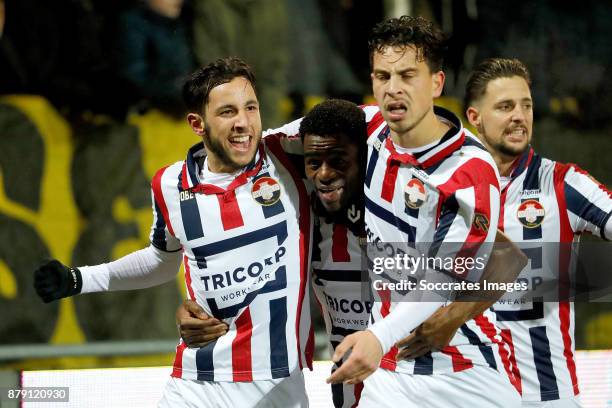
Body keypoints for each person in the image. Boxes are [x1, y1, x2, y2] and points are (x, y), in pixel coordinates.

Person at [34, 57, 313, 408]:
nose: (244, 122)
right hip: (197, 380)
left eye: (251, 107)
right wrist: (78, 279)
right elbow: (163, 261)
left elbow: (366, 119)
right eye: (227, 112)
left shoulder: (286, 152)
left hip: (277, 383)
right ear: (197, 123)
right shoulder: (170, 184)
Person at [325, 16, 521, 407]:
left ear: (436, 82)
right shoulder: (365, 126)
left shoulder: (470, 169)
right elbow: (278, 139)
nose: (393, 88)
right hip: (390, 375)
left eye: (407, 75)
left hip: (464, 372)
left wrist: (378, 337)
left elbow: (445, 278)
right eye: (382, 76)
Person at [463, 58, 611, 406]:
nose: (519, 116)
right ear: (474, 118)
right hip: (468, 394)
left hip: (546, 397)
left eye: (526, 105)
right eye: (505, 106)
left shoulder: (563, 184)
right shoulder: (448, 190)